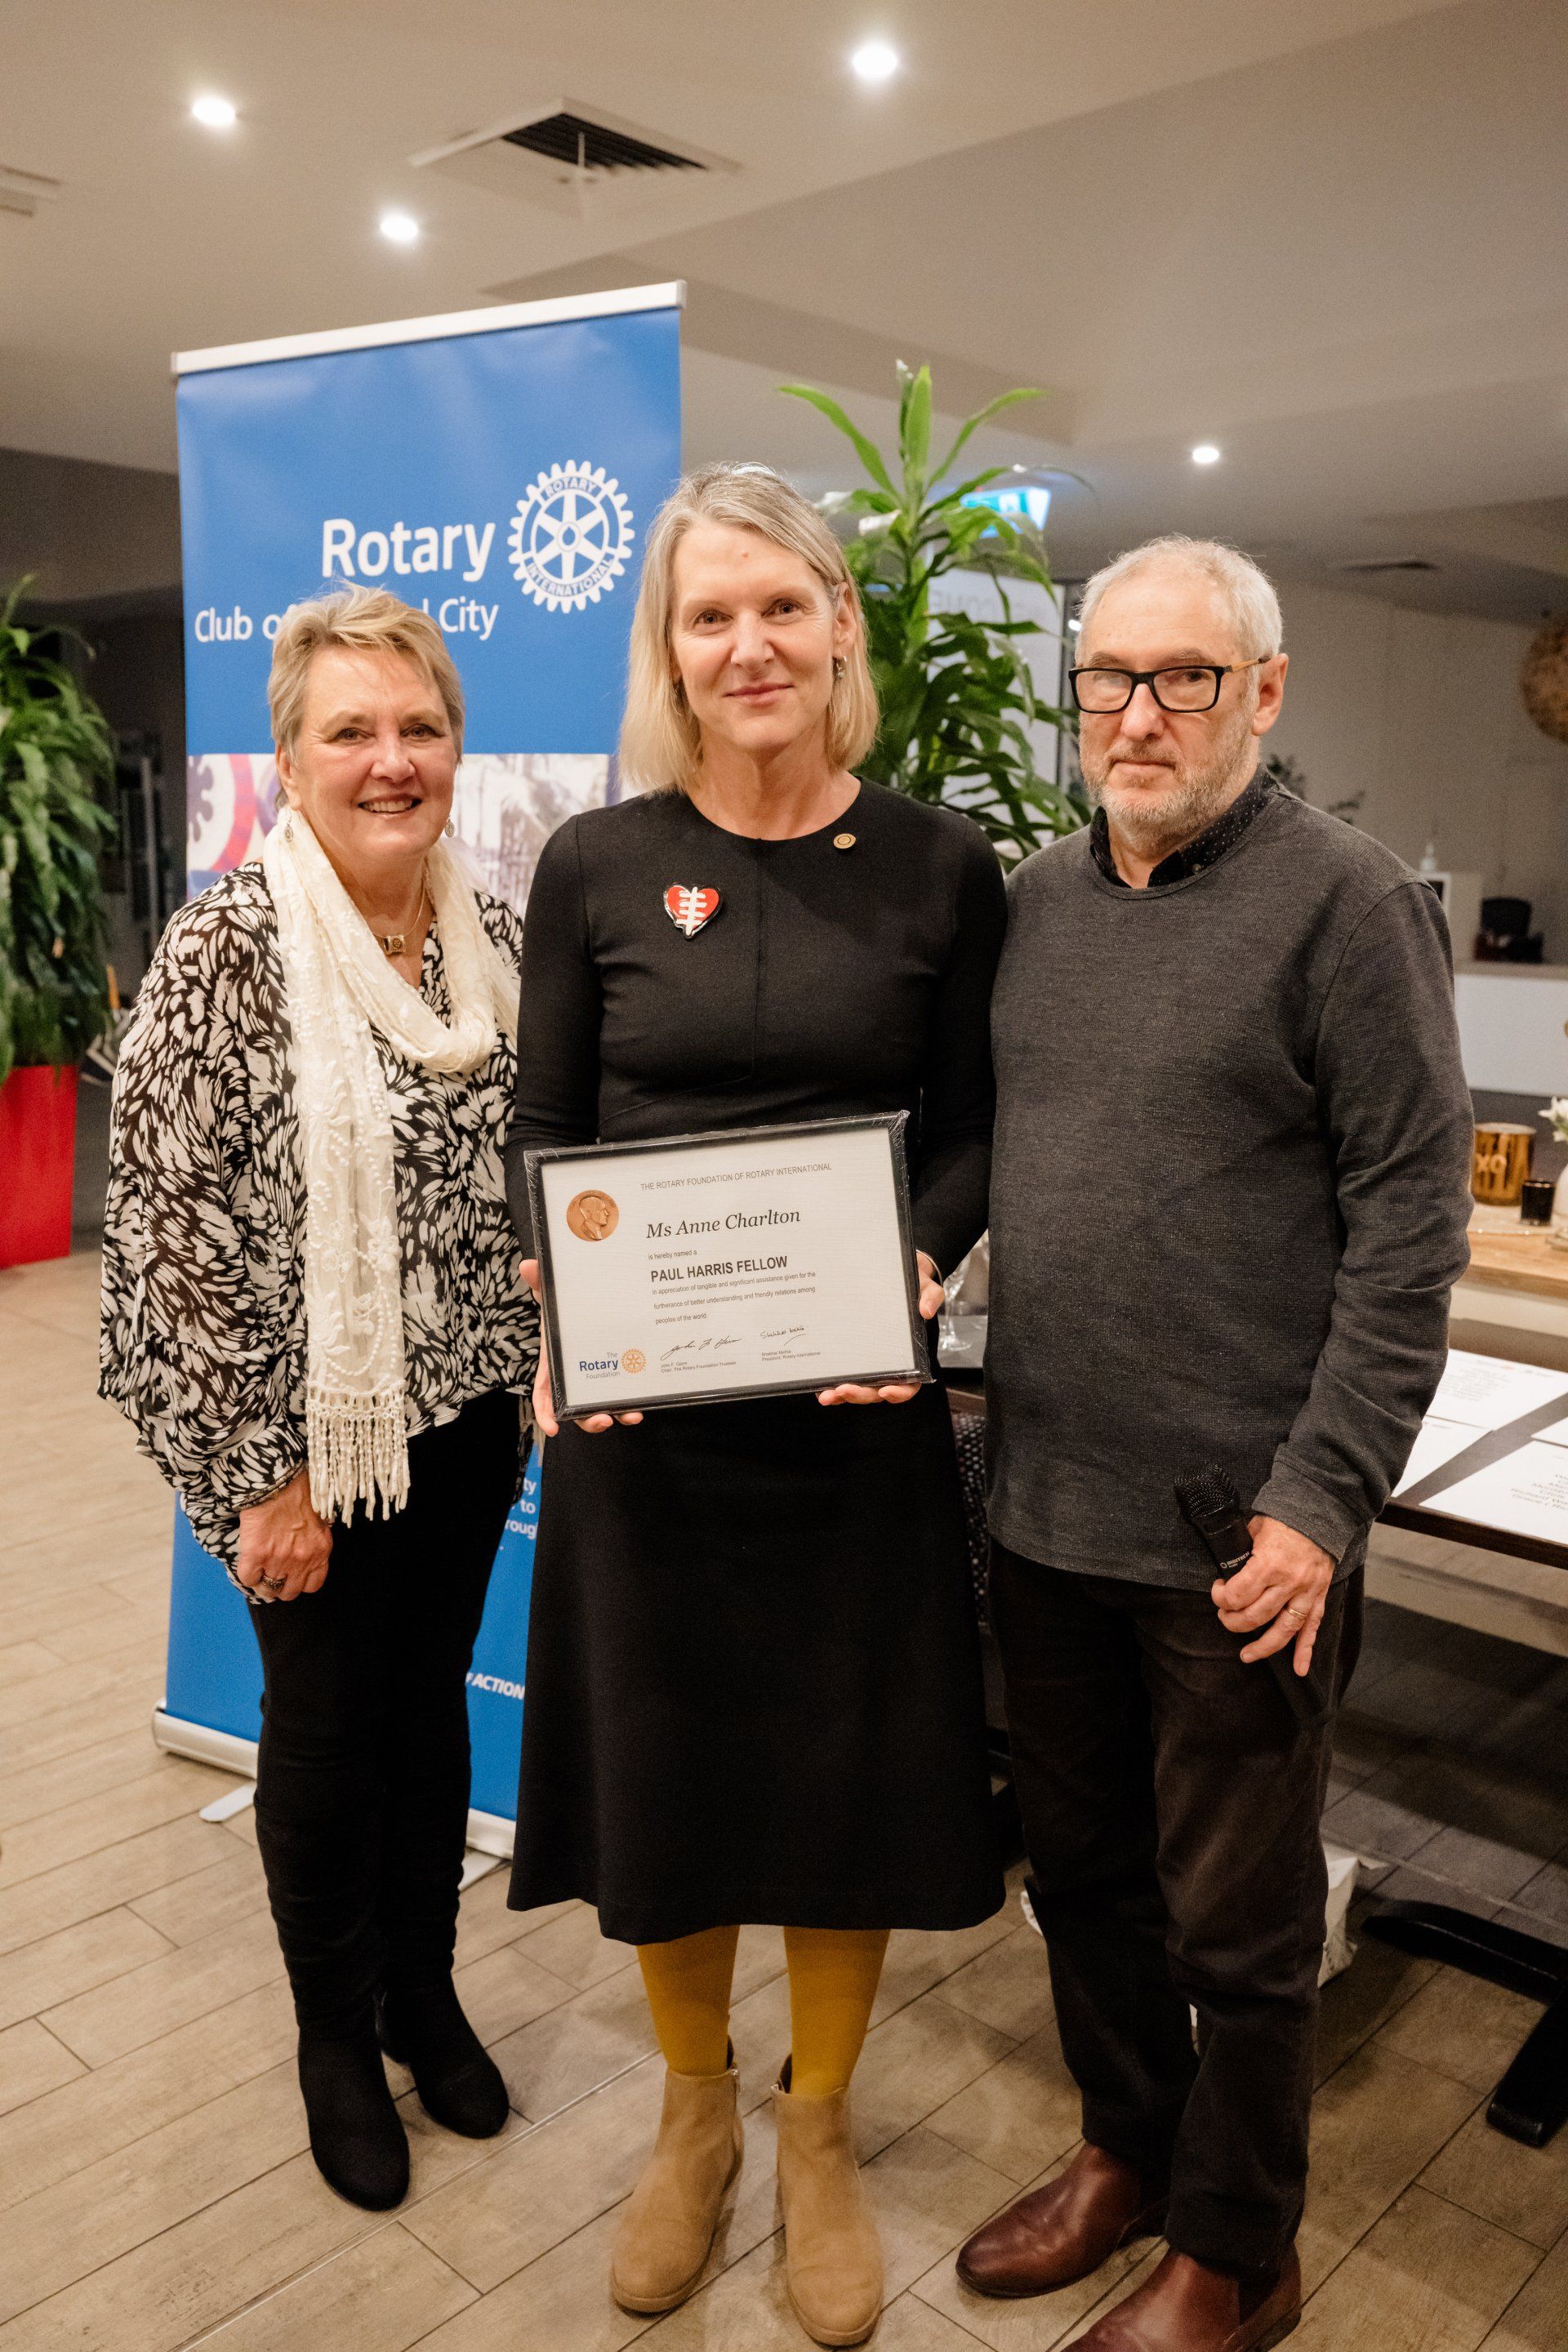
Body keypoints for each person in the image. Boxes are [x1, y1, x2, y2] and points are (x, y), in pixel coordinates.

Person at [505, 463, 1004, 2348]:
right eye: (711, 615)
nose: (749, 645)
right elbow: (550, 1130)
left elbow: (966, 1133)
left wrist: (927, 1264)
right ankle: (695, 2108)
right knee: (679, 1773)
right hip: (654, 1429)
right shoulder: (596, 863)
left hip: (855, 1414)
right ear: (673, 648)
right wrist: (565, 1308)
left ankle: (818, 2130)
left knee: (843, 1776)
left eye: (782, 606)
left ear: (839, 628)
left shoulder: (943, 869)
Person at [957, 537, 1473, 2350]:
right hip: (1042, 1509)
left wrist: (1323, 1500)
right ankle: (1131, 2148)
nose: (1139, 712)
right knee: (1081, 1877)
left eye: (1185, 676)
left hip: (1243, 1545)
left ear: (1267, 690)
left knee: (1239, 1930)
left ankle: (1239, 2252)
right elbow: (993, 1157)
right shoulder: (1034, 901)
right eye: (1108, 676)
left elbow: (1414, 1229)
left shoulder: (1348, 907)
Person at [100, 589, 537, 2212]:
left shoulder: (488, 927)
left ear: (454, 744)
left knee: (428, 1719)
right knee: (331, 1733)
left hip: (472, 1415)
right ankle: (335, 2035)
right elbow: (168, 1235)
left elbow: (525, 1176)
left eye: (417, 725)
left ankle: (424, 1991)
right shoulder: (224, 944)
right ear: (290, 753)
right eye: (350, 728)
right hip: (309, 1448)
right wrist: (256, 1480)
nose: (390, 759)